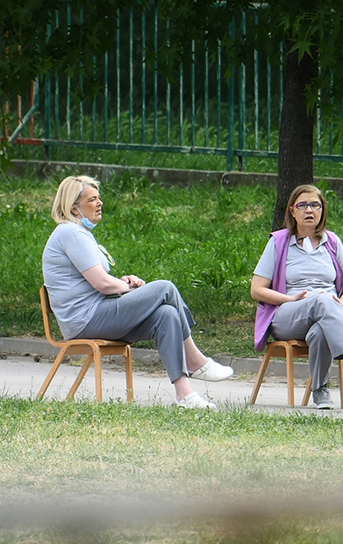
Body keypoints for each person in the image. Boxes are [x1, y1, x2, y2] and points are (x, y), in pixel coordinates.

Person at [41, 175, 234, 409]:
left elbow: (94, 281)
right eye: (92, 199)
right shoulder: (69, 233)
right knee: (165, 287)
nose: (99, 203)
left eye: (99, 197)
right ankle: (195, 359)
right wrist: (126, 287)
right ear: (74, 208)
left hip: (98, 313)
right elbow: (102, 284)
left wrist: (122, 282)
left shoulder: (80, 234)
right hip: (86, 319)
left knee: (166, 315)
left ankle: (184, 394)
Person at [250, 184, 343, 409]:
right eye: (302, 205)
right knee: (322, 300)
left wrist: (339, 305)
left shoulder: (333, 242)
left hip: (325, 310)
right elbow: (256, 289)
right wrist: (289, 300)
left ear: (322, 210)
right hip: (287, 315)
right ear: (292, 211)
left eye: (315, 205)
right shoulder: (279, 242)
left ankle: (320, 391)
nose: (309, 210)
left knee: (321, 329)